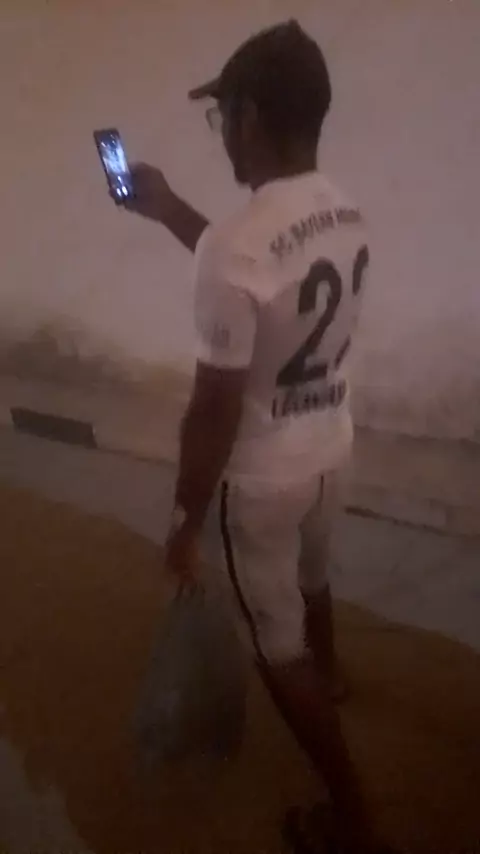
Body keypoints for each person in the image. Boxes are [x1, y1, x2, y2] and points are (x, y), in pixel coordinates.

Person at [127, 20, 393, 854]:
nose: (222, 135)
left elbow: (213, 409)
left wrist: (183, 522)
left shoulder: (237, 244)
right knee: (314, 578)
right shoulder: (344, 207)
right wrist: (170, 209)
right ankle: (333, 674)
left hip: (264, 483)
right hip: (331, 447)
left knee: (277, 647)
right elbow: (258, 268)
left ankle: (353, 820)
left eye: (223, 116)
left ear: (248, 117)